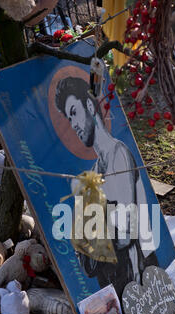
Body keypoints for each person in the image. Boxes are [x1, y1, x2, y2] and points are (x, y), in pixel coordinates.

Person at [55, 76, 158, 298]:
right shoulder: (95, 169)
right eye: (68, 118)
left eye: (74, 112)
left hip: (138, 275)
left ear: (90, 106)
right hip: (116, 278)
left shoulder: (117, 154)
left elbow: (124, 233)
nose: (73, 125)